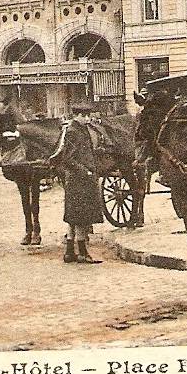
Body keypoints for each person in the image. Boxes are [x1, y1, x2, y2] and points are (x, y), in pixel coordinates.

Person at [49, 101, 104, 264]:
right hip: (79, 180)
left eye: (88, 116)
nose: (87, 119)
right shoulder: (73, 131)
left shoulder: (80, 129)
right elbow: (68, 159)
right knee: (81, 218)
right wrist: (85, 171)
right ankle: (82, 253)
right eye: (84, 116)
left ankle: (69, 252)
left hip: (78, 180)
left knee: (73, 218)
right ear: (77, 115)